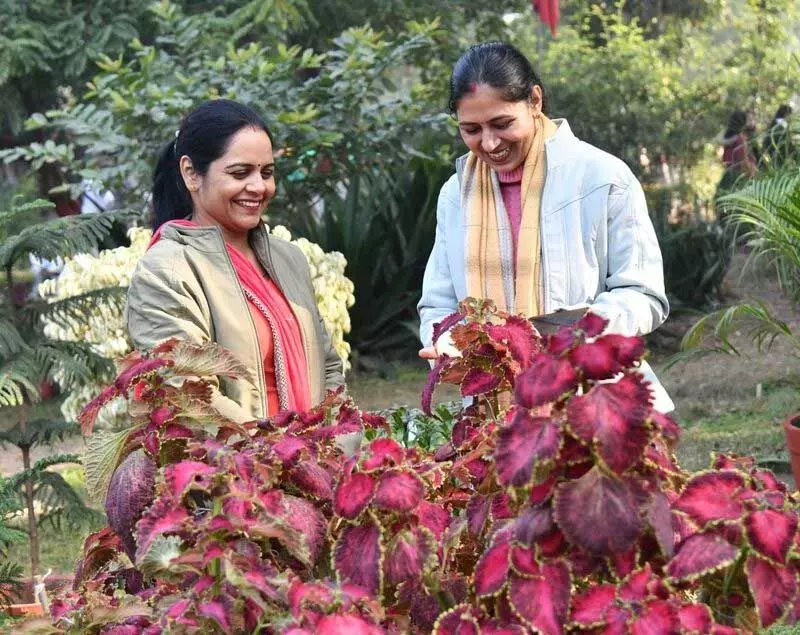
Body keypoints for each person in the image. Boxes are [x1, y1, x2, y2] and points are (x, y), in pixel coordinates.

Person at [417, 41, 673, 412]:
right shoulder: (455, 194)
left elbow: (643, 293)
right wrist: (447, 345)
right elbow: (438, 303)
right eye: (471, 129)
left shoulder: (602, 177)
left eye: (502, 124)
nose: (489, 143)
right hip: (491, 410)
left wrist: (576, 338)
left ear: (535, 101)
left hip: (594, 400)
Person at [126, 99, 344, 423]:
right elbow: (188, 394)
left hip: (315, 464)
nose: (258, 187)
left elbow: (328, 369)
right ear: (191, 173)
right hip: (231, 469)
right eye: (240, 172)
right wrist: (279, 459)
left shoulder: (288, 260)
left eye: (267, 173)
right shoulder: (167, 271)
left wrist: (333, 451)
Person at [717, 110, 757, 194]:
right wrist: (752, 173)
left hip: (728, 177)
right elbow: (743, 161)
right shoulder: (739, 139)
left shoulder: (728, 137)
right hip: (739, 180)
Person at [763, 104, 794, 169]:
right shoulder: (782, 127)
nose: (791, 117)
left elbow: (765, 143)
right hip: (781, 160)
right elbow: (787, 145)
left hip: (773, 159)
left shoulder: (772, 125)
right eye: (790, 115)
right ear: (786, 114)